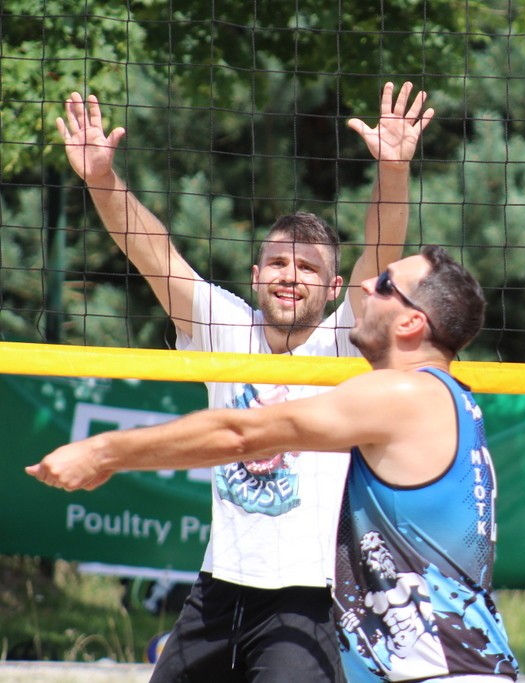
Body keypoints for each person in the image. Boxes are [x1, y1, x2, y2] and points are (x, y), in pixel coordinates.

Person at [55, 81, 434, 682]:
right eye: (279, 263)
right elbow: (153, 253)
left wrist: (392, 171)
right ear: (256, 274)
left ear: (335, 289)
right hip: (218, 587)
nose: (291, 276)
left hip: (310, 597)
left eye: (307, 268)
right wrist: (102, 179)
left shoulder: (343, 340)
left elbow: (381, 251)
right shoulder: (226, 326)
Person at [28, 246, 520, 683]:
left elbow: (242, 434)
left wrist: (103, 452)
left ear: (411, 323)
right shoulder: (446, 400)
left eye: (387, 284)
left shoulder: (404, 393)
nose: (368, 283)